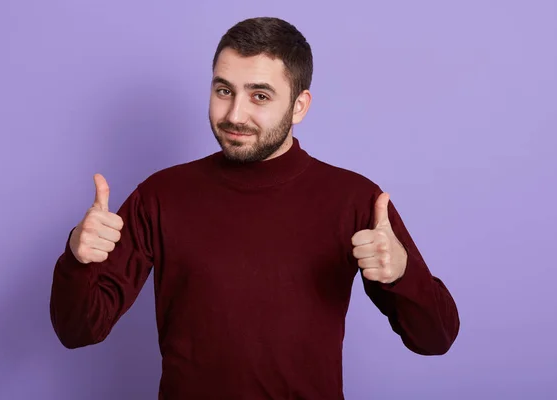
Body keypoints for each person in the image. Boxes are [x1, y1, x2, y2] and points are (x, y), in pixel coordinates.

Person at [50, 16, 460, 400]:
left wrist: (404, 275)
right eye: (223, 90)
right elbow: (78, 330)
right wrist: (77, 257)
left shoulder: (355, 199)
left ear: (299, 106)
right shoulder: (160, 194)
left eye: (259, 95)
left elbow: (435, 338)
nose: (234, 114)